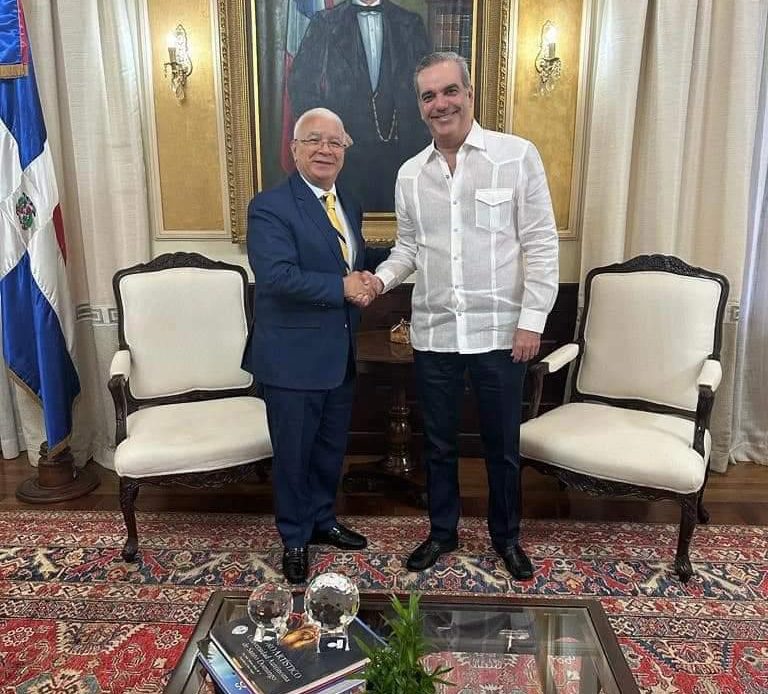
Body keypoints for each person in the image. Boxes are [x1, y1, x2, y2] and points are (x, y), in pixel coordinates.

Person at [368, 52, 559, 580]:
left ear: (469, 94)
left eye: (449, 91)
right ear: (420, 106)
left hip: (501, 335)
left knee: (502, 447)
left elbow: (541, 244)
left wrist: (533, 321)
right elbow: (408, 249)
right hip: (435, 334)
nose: (440, 104)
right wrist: (379, 281)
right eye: (428, 96)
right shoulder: (411, 174)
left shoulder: (515, 156)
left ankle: (507, 538)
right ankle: (441, 533)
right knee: (438, 445)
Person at [242, 107, 386, 584]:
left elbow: (348, 258)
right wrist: (344, 287)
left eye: (335, 142)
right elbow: (277, 277)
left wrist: (392, 264)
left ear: (345, 150)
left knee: (329, 449)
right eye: (314, 140)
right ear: (294, 149)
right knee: (293, 455)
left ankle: (323, 520)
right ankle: (294, 537)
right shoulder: (270, 206)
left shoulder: (348, 203)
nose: (326, 149)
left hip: (338, 355)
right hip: (291, 359)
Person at [289, 0, 431, 212]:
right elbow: (301, 84)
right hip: (346, 153)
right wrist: (328, 133)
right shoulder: (325, 23)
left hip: (401, 149)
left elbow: (429, 86)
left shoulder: (410, 22)